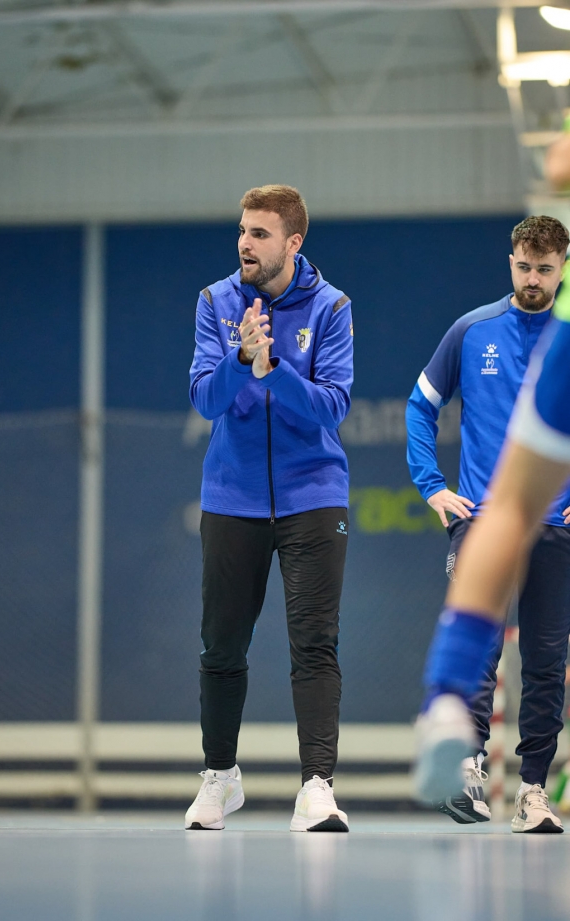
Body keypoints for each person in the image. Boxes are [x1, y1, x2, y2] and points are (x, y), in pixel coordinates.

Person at [186, 185, 353, 832]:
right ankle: (219, 777)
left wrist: (272, 365)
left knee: (314, 643)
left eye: (259, 232)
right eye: (241, 230)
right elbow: (204, 398)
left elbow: (332, 405)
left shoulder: (333, 306)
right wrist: (239, 358)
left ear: (292, 241)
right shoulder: (214, 301)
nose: (244, 243)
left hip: (314, 496)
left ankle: (316, 787)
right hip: (232, 498)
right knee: (221, 643)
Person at [407, 215, 570, 832]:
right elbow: (421, 406)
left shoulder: (567, 335)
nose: (533, 279)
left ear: (563, 268)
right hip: (485, 512)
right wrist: (433, 486)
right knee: (483, 652)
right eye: (524, 267)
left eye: (546, 270)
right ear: (510, 263)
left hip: (557, 523)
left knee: (546, 660)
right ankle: (467, 768)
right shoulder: (473, 330)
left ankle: (533, 792)